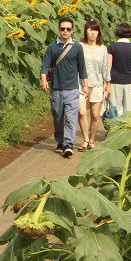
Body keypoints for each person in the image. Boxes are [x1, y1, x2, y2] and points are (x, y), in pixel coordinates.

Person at [40, 17, 88, 158]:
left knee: (72, 117)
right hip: (56, 88)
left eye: (68, 29)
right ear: (59, 30)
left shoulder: (77, 47)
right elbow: (45, 65)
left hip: (72, 89)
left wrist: (85, 85)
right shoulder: (52, 47)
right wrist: (43, 79)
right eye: (62, 28)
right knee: (57, 116)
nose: (65, 31)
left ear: (72, 30)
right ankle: (60, 141)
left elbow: (82, 67)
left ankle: (68, 144)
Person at [77, 20, 110, 151]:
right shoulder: (80, 47)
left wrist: (108, 84)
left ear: (98, 32)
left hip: (97, 84)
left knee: (95, 115)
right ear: (86, 31)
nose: (93, 33)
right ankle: (85, 139)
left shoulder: (102, 49)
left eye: (95, 30)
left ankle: (92, 139)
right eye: (90, 30)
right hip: (80, 83)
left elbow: (105, 68)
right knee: (81, 112)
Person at [107, 23, 131, 116]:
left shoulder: (112, 47)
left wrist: (106, 84)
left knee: (115, 110)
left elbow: (109, 66)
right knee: (129, 111)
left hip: (115, 81)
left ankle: (114, 129)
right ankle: (127, 129)